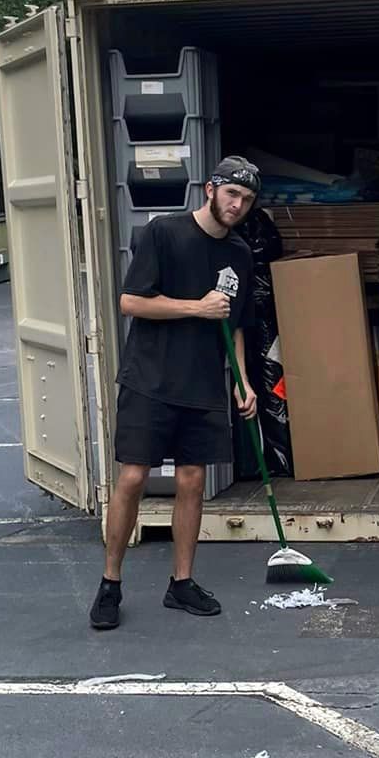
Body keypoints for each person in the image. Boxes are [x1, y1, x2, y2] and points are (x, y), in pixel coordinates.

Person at [90, 156, 261, 630]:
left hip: (202, 382)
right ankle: (110, 584)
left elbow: (238, 324)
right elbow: (130, 301)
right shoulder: (164, 233)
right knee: (132, 478)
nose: (238, 205)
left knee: (192, 481)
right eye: (231, 194)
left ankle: (181, 583)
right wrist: (196, 307)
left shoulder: (241, 255)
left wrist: (241, 380)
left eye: (246, 200)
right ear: (211, 189)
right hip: (150, 378)